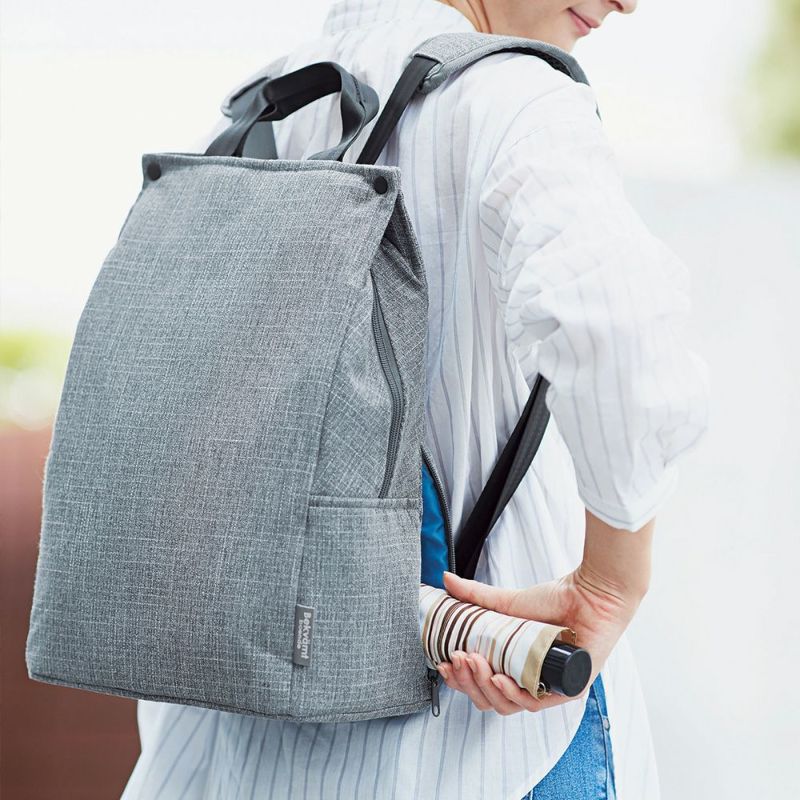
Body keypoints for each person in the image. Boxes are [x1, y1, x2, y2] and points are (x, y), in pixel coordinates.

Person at [121, 1, 709, 798]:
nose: (630, 2)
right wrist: (612, 580)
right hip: (485, 727)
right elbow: (620, 330)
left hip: (237, 745)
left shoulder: (266, 107)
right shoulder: (512, 99)